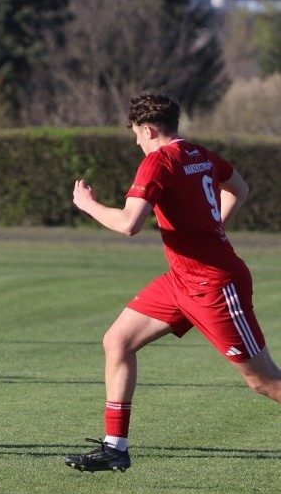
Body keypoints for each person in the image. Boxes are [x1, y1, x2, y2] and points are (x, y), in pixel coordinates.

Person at [64, 91, 281, 472]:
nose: (135, 141)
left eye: (135, 132)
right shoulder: (199, 154)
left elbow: (129, 224)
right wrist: (209, 230)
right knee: (118, 340)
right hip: (180, 282)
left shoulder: (158, 162)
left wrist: (87, 205)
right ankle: (115, 447)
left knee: (263, 381)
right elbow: (240, 189)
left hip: (214, 286)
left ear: (148, 129)